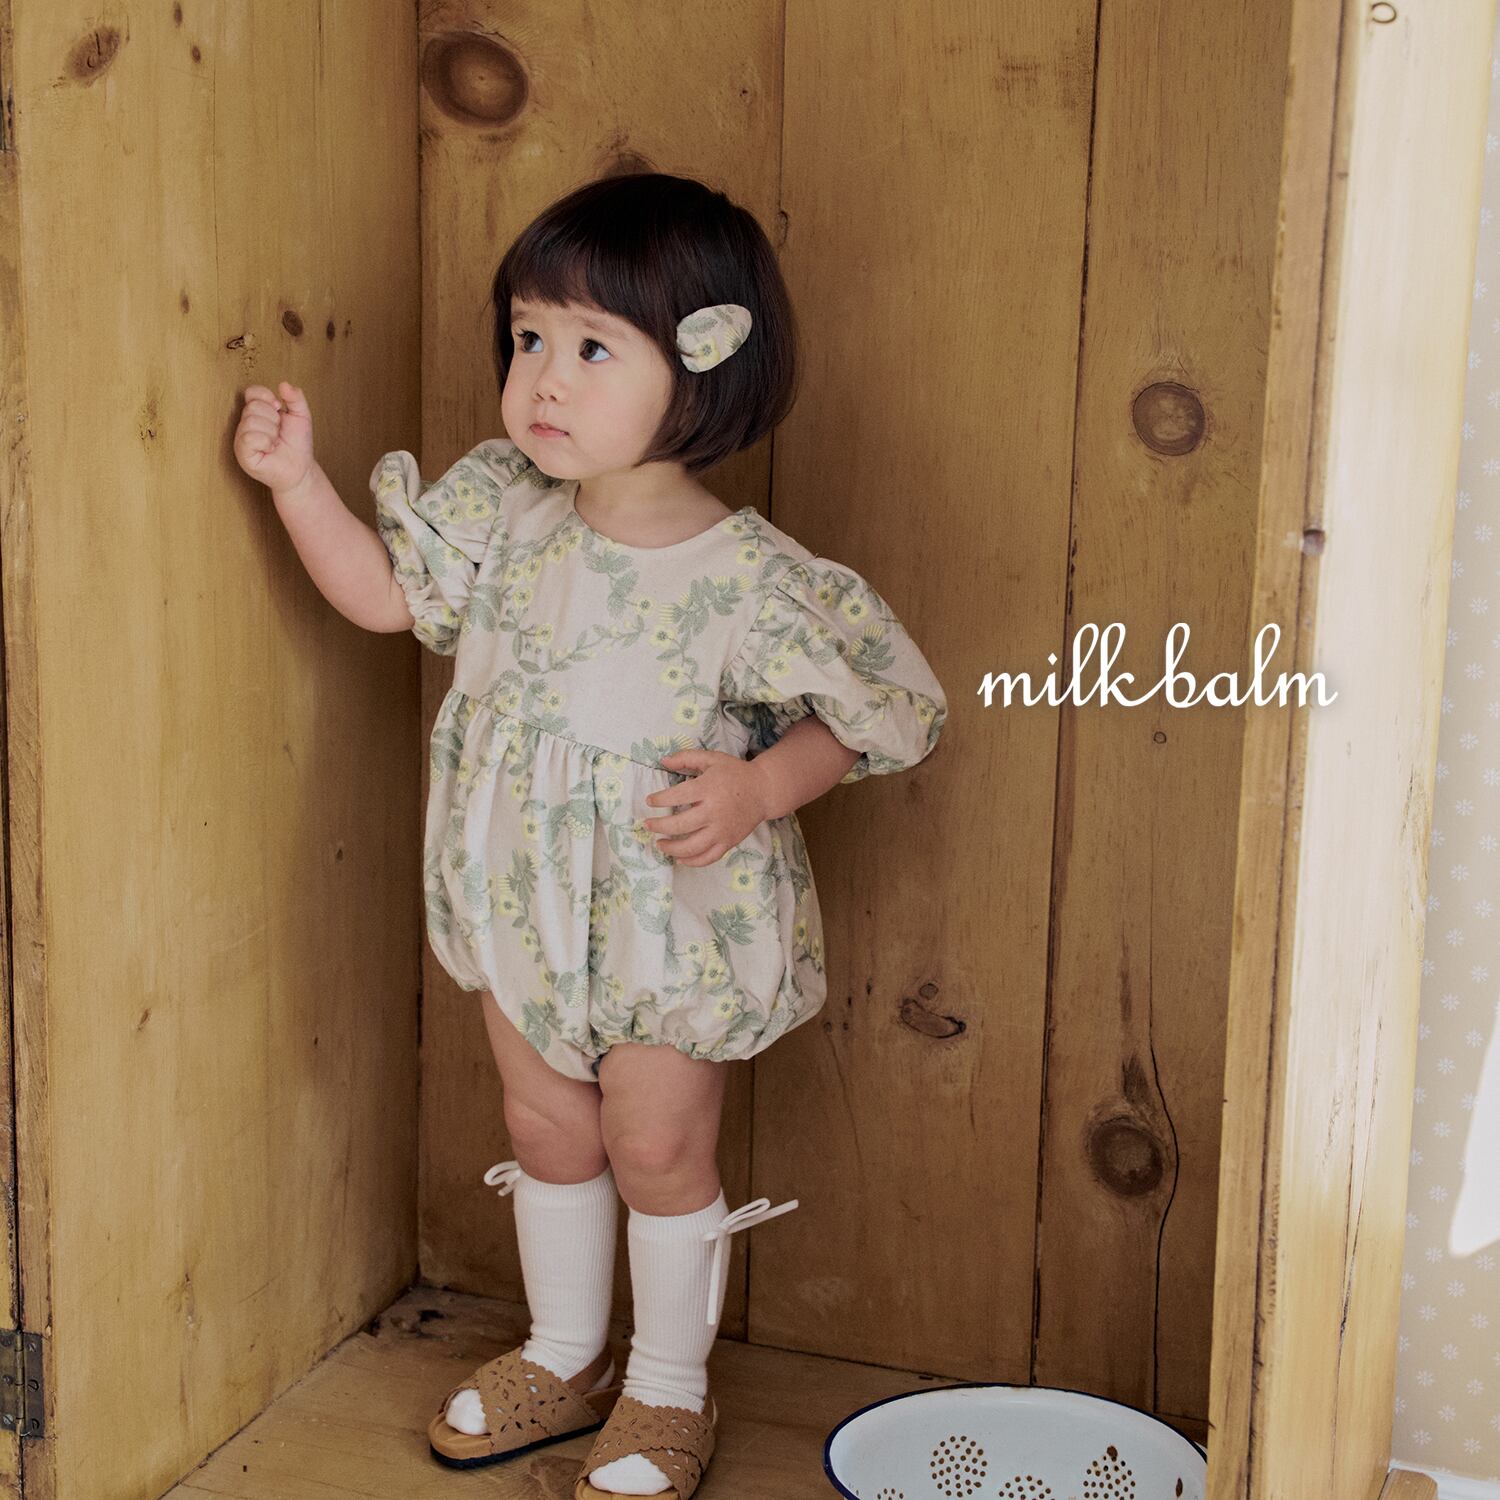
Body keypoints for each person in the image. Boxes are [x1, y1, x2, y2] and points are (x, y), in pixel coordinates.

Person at [232, 171, 947, 1499]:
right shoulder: (508, 508)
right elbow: (389, 599)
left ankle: (669, 1387)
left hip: (669, 916)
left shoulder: (751, 579)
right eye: (528, 339)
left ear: (705, 365)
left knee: (657, 1146)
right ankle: (564, 1353)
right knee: (547, 1126)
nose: (543, 381)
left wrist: (761, 789)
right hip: (527, 898)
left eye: (592, 348)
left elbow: (883, 711)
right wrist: (296, 485)